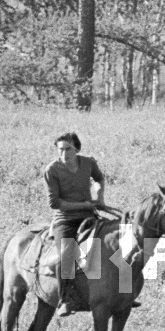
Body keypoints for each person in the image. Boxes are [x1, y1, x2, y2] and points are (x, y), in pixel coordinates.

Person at [44, 132, 106, 316]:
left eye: (68, 149)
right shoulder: (52, 170)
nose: (64, 153)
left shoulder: (88, 163)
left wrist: (99, 197)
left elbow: (99, 179)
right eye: (60, 149)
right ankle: (66, 299)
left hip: (89, 215)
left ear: (77, 148)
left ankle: (121, 292)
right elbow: (55, 203)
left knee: (114, 245)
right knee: (67, 253)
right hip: (65, 219)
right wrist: (83, 204)